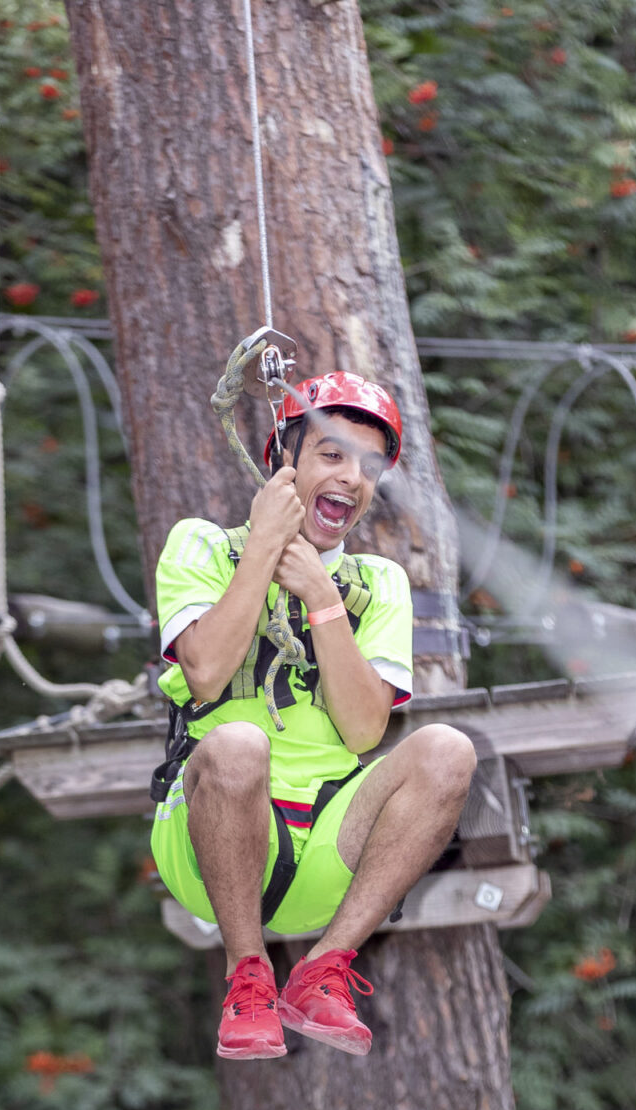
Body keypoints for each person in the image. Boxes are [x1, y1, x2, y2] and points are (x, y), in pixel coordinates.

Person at [150, 370, 478, 1060]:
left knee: (449, 749)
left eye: (369, 467)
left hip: (331, 847)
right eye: (332, 454)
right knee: (238, 742)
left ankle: (325, 966)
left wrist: (324, 600)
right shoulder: (202, 545)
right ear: (282, 458)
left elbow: (363, 730)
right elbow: (204, 673)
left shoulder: (378, 583)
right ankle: (247, 974)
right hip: (211, 848)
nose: (352, 478)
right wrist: (264, 552)